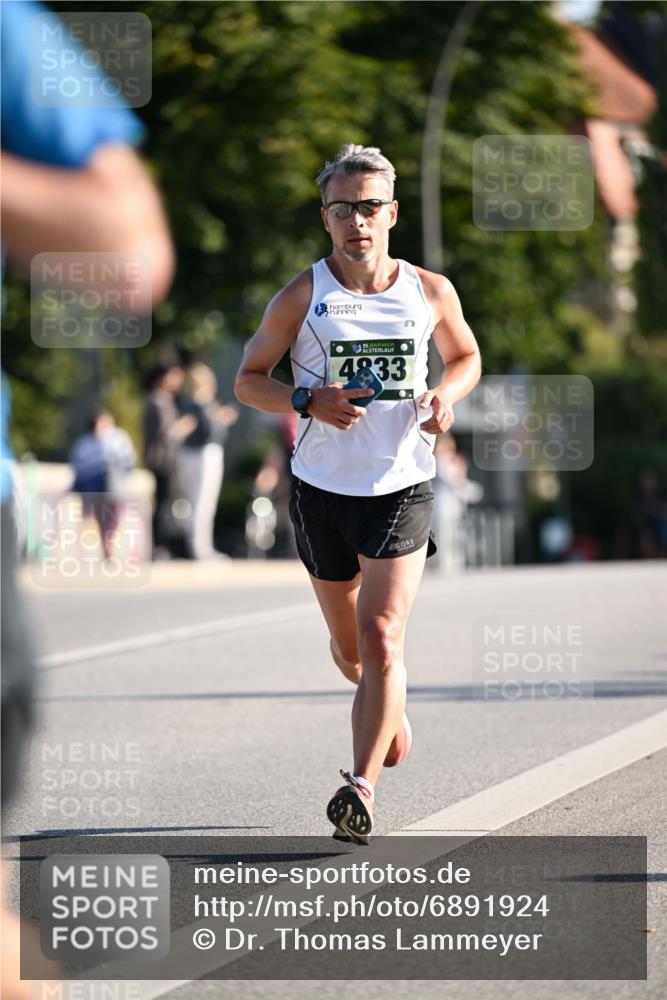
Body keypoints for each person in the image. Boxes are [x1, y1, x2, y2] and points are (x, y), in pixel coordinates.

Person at [235, 143, 481, 843]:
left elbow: (464, 357)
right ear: (326, 218)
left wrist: (444, 395)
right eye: (343, 208)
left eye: (369, 206)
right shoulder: (302, 297)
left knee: (381, 637)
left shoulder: (428, 291)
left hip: (402, 483)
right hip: (321, 491)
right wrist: (306, 398)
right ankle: (386, 706)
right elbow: (248, 379)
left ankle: (360, 788)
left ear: (391, 212)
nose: (357, 220)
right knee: (350, 651)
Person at [177, 362, 238, 559]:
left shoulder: (187, 403)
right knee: (203, 504)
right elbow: (205, 428)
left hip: (189, 454)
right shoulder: (201, 404)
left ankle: (196, 546)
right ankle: (201, 549)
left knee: (194, 503)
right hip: (204, 454)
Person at [143, 363, 196, 559]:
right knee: (162, 503)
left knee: (165, 503)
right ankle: (159, 546)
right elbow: (166, 433)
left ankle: (163, 545)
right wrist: (184, 426)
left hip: (166, 458)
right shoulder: (158, 400)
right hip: (161, 459)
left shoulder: (164, 399)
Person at [69, 412, 136, 559]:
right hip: (93, 488)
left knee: (113, 519)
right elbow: (78, 466)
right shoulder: (85, 443)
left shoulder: (118, 439)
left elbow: (128, 461)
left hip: (114, 488)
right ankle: (98, 548)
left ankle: (109, 545)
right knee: (96, 519)